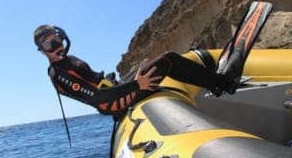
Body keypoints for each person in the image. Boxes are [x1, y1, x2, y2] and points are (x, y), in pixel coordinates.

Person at [34, 25, 233, 119]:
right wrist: (138, 85)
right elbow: (95, 97)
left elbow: (96, 80)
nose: (56, 45)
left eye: (56, 39)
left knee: (149, 62)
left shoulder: (69, 59)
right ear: (42, 50)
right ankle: (222, 84)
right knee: (168, 60)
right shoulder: (58, 73)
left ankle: (211, 78)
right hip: (112, 103)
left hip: (115, 89)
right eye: (49, 43)